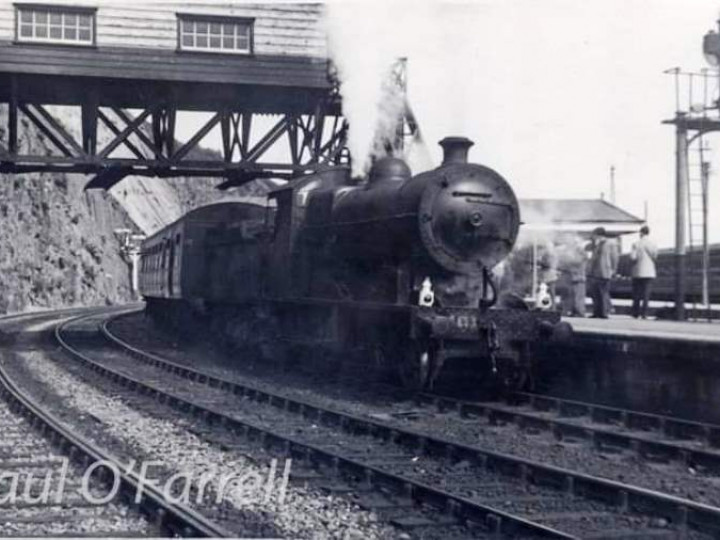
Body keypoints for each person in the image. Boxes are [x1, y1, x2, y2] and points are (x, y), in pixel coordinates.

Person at [588, 227, 618, 318]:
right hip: (595, 272)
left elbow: (614, 257)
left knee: (603, 293)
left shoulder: (610, 244)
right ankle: (596, 312)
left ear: (598, 235)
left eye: (594, 235)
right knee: (595, 293)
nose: (593, 237)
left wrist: (613, 269)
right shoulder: (597, 245)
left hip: (605, 271)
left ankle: (604, 312)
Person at [630, 225, 657, 319]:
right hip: (649, 272)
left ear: (641, 233)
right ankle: (644, 314)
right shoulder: (652, 244)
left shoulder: (636, 244)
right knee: (646, 294)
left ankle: (635, 313)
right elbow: (655, 256)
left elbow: (633, 258)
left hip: (638, 272)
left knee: (636, 294)